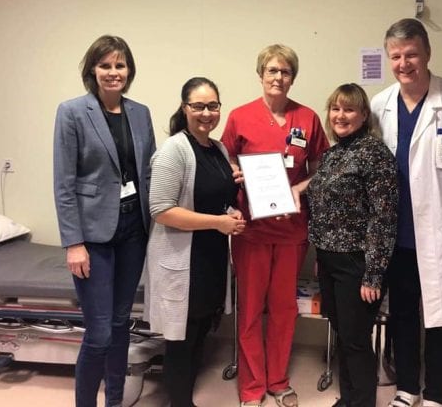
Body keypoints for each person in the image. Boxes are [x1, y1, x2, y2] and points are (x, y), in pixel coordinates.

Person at [371, 18, 442, 407]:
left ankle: (434, 392)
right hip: (397, 233)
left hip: (441, 230)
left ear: (428, 53)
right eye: (396, 56)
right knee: (402, 313)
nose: (404, 64)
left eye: (411, 54)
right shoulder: (379, 105)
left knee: (440, 315)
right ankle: (407, 388)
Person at [221, 44, 329, 407]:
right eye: (272, 70)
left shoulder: (308, 118)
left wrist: (299, 189)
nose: (278, 77)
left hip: (291, 230)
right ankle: (252, 386)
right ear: (260, 74)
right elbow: (225, 161)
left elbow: (320, 170)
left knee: (283, 310)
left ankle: (278, 380)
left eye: (285, 71)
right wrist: (235, 173)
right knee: (251, 310)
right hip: (251, 230)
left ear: (293, 77)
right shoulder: (240, 117)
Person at [53, 35, 156, 407]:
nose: (114, 72)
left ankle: (114, 401)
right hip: (93, 236)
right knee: (98, 333)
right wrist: (73, 243)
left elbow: (148, 172)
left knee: (119, 323)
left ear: (129, 70)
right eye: (105, 65)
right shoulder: (72, 112)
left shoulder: (140, 113)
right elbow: (64, 183)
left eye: (120, 65)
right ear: (92, 70)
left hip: (133, 230)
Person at [146, 77, 246, 407]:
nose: (207, 113)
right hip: (182, 259)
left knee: (201, 330)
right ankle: (179, 401)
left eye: (213, 106)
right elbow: (162, 210)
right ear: (185, 108)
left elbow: (217, 199)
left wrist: (231, 213)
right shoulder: (173, 151)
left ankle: (184, 398)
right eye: (199, 106)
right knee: (181, 340)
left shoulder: (218, 149)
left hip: (210, 258)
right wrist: (218, 222)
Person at [308, 83, 398, 407]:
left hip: (358, 263)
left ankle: (362, 402)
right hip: (329, 259)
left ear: (363, 115)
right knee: (343, 337)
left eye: (349, 109)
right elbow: (323, 208)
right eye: (335, 108)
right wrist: (321, 252)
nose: (340, 116)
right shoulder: (332, 154)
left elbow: (384, 216)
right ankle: (348, 399)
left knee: (356, 340)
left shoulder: (374, 154)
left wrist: (374, 273)